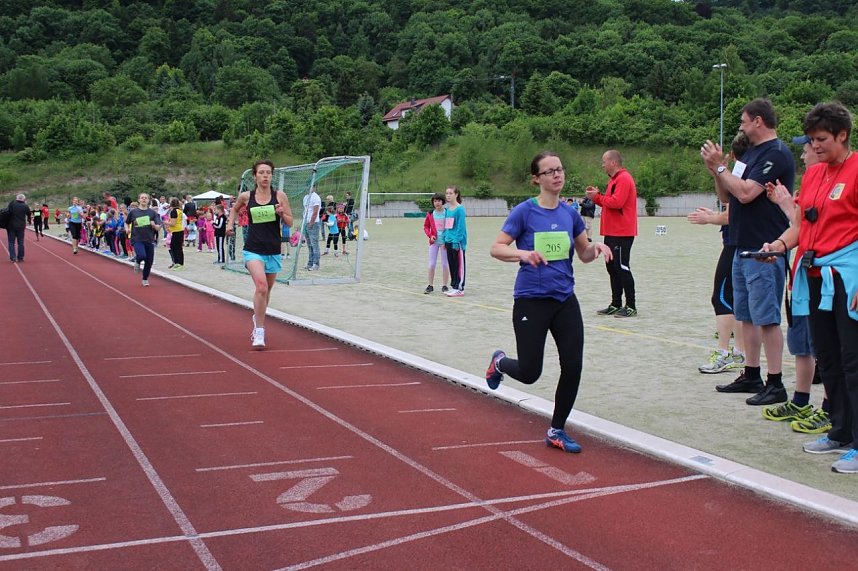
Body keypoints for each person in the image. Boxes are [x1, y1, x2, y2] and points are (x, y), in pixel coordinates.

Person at [486, 151, 613, 453]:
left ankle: (556, 430)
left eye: (560, 169)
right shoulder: (524, 212)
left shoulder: (570, 214)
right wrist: (523, 253)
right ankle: (499, 362)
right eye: (550, 171)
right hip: (531, 300)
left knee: (573, 366)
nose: (557, 175)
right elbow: (496, 248)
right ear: (536, 179)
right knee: (530, 373)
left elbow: (582, 254)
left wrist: (596, 247)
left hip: (565, 299)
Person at [763, 102, 858, 473]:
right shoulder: (815, 174)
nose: (815, 146)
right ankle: (841, 431)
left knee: (854, 361)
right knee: (828, 358)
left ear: (842, 135)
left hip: (847, 279)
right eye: (812, 140)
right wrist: (778, 245)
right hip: (816, 276)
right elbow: (802, 226)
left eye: (821, 139)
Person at [701, 98, 795, 406]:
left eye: (743, 121)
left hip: (765, 246)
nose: (740, 126)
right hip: (742, 245)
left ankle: (775, 382)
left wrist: (721, 167)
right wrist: (716, 172)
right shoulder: (751, 153)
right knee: (747, 316)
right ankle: (751, 374)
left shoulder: (775, 153)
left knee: (766, 317)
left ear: (758, 121)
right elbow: (728, 196)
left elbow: (746, 193)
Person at [761, 133, 831, 434]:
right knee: (802, 344)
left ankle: (831, 408)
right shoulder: (810, 184)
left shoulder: (837, 183)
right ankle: (801, 401)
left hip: (826, 278)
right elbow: (800, 227)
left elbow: (813, 227)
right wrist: (779, 241)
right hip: (804, 274)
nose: (803, 155)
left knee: (827, 349)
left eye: (807, 149)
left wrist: (786, 205)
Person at [688, 133, 749, 374]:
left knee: (722, 297)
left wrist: (710, 218)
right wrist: (716, 173)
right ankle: (740, 352)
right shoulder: (740, 172)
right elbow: (726, 198)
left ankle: (724, 352)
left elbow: (734, 213)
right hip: (736, 241)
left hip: (736, 243)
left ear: (732, 155)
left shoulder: (743, 173)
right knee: (737, 300)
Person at [227, 159, 293, 348]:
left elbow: (290, 222)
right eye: (261, 172)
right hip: (253, 249)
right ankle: (259, 332)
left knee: (267, 290)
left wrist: (281, 213)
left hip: (273, 249)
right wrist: (230, 225)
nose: (265, 176)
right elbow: (234, 209)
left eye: (268, 173)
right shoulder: (246, 196)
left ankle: (258, 317)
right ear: (255, 176)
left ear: (272, 176)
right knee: (262, 287)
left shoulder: (280, 196)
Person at [585, 149, 639, 317]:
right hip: (612, 232)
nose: (603, 165)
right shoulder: (614, 180)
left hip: (621, 232)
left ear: (613, 162)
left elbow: (617, 202)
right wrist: (597, 196)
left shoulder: (623, 178)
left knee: (622, 267)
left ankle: (631, 305)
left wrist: (597, 197)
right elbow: (611, 202)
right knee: (612, 268)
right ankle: (616, 303)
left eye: (604, 162)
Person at [125, 193, 161, 287]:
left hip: (149, 239)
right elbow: (126, 222)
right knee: (141, 255)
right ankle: (137, 261)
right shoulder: (133, 212)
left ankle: (145, 279)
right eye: (142, 198)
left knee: (149, 261)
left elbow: (158, 227)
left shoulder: (152, 213)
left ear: (148, 200)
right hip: (137, 238)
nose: (144, 199)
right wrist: (127, 229)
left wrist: (154, 225)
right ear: (139, 200)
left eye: (146, 198)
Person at [443, 186, 467, 297]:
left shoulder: (460, 209)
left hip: (457, 242)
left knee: (458, 265)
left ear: (456, 194)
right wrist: (445, 239)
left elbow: (461, 227)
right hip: (448, 241)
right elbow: (447, 226)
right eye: (447, 193)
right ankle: (454, 286)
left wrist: (456, 241)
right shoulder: (448, 209)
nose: (448, 195)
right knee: (452, 265)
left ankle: (460, 288)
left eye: (450, 193)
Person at [423, 193, 449, 294]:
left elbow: (450, 227)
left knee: (445, 264)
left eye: (439, 201)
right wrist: (430, 235)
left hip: (445, 243)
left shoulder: (448, 213)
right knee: (431, 264)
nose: (437, 203)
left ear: (443, 202)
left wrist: (446, 240)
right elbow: (426, 227)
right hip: (434, 243)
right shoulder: (430, 214)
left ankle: (445, 286)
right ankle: (430, 285)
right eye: (435, 201)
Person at [6, 193, 31, 262]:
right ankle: (20, 257)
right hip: (21, 226)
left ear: (17, 198)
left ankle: (13, 257)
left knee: (11, 242)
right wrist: (29, 220)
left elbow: (7, 212)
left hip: (11, 226)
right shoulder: (25, 206)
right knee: (20, 242)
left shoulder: (12, 204)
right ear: (24, 199)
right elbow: (29, 214)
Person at [302, 186, 322, 271]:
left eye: (311, 187)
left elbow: (315, 211)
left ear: (314, 188)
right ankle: (310, 262)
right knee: (309, 244)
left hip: (313, 223)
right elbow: (305, 210)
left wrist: (311, 222)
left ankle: (316, 263)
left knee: (314, 244)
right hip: (306, 222)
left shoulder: (316, 197)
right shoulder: (306, 197)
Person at [166, 197, 185, 270]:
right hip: (179, 230)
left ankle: (179, 263)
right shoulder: (179, 210)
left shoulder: (173, 211)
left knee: (176, 248)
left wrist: (166, 222)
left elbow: (173, 223)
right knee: (175, 247)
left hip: (176, 231)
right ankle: (177, 263)